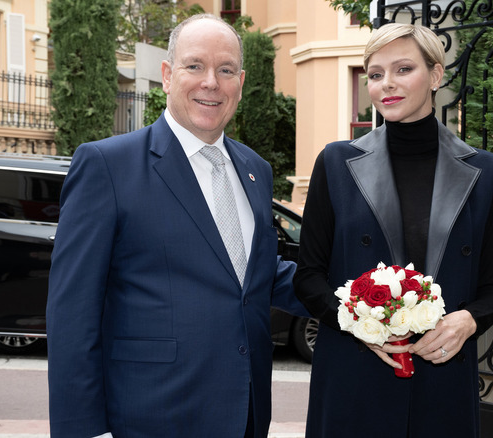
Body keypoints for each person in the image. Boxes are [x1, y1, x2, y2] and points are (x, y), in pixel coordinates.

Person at [47, 14, 306, 438]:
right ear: (167, 76)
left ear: (239, 82)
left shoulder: (255, 169)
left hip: (245, 415)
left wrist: (360, 298)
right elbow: (72, 311)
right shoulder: (107, 165)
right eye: (194, 66)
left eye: (225, 70)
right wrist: (84, 430)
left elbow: (253, 274)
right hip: (147, 418)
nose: (211, 82)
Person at [293, 23, 493, 438]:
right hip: (354, 377)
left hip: (442, 380)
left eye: (403, 69)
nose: (386, 85)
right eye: (375, 74)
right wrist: (358, 324)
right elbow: (308, 276)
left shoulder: (483, 171)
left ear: (435, 75)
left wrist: (468, 320)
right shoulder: (336, 164)